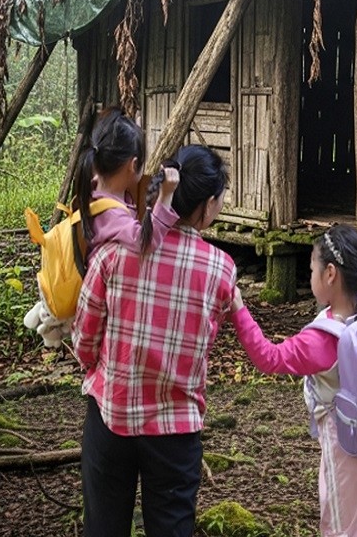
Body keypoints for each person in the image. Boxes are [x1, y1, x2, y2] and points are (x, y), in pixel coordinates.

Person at [229, 151, 357, 537]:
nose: (308, 275)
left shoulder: (323, 340)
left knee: (343, 521)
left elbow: (269, 358)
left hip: (347, 442)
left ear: (329, 274)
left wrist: (239, 308)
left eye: (310, 268)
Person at [73, 144, 237, 537]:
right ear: (207, 205)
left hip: (111, 417)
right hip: (176, 431)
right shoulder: (221, 270)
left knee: (104, 527)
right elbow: (204, 343)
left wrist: (103, 370)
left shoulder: (113, 253)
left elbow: (84, 337)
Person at [23, 107, 179, 346]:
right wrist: (166, 197)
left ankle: (49, 314)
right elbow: (146, 242)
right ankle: (54, 321)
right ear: (133, 164)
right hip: (97, 299)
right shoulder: (113, 214)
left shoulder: (96, 191)